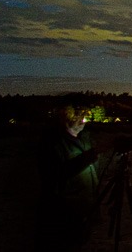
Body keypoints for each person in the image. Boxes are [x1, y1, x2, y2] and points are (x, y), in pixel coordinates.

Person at [35, 105, 101, 250]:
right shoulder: (52, 143)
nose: (84, 120)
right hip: (62, 213)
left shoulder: (85, 140)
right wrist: (90, 156)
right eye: (80, 116)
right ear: (66, 117)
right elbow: (56, 174)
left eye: (85, 116)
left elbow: (96, 171)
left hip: (85, 209)